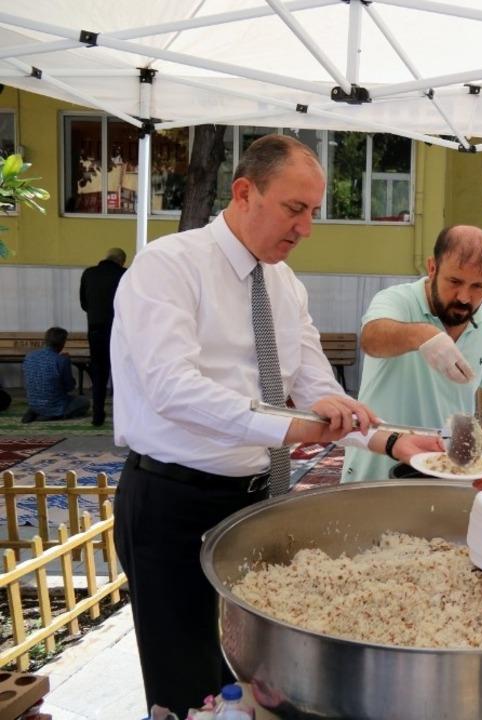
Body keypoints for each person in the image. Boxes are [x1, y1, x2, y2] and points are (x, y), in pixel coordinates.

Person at [110, 134, 436, 715]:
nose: (306, 228)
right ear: (244, 193)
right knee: (187, 685)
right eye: (294, 208)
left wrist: (392, 440)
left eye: (313, 212)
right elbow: (171, 388)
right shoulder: (168, 265)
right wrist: (288, 430)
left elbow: (318, 391)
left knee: (256, 676)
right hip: (172, 501)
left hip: (256, 501)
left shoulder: (285, 284)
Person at [340, 225, 482, 482]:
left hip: (445, 473)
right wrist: (423, 335)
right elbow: (371, 338)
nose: (464, 297)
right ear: (432, 268)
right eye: (455, 281)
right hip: (374, 471)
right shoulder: (398, 300)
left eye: (478, 286)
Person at [79, 246, 126, 425]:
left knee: (99, 371)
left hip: (95, 329)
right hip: (118, 330)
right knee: (121, 371)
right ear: (121, 261)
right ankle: (122, 415)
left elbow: (84, 303)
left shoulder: (89, 273)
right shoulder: (124, 274)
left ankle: (97, 415)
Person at [21, 327, 90, 422]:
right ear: (62, 343)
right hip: (55, 405)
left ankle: (36, 411)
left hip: (33, 403)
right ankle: (52, 415)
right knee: (84, 402)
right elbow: (69, 387)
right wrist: (67, 363)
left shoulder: (29, 356)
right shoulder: (61, 360)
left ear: (46, 340)